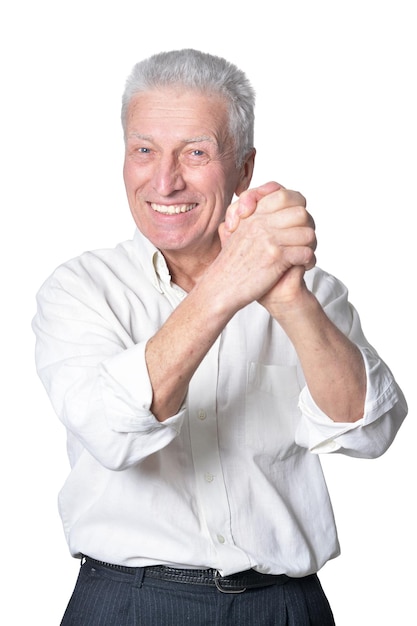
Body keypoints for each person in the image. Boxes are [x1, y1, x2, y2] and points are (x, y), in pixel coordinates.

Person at [32, 49, 407, 625]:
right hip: (127, 605)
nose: (165, 180)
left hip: (283, 606)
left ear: (245, 169)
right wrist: (227, 285)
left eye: (196, 153)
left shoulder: (309, 288)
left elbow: (371, 430)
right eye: (144, 150)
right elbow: (113, 433)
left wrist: (288, 300)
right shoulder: (80, 289)